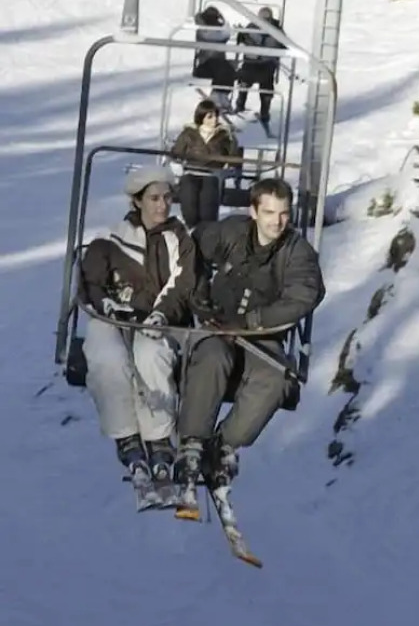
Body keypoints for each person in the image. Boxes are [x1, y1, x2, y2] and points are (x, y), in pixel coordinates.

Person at [174, 177, 325, 494]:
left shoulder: (296, 252)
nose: (277, 222)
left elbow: (304, 294)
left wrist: (253, 321)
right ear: (254, 211)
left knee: (275, 378)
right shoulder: (232, 232)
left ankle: (225, 444)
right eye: (269, 213)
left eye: (283, 213)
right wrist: (198, 293)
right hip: (218, 325)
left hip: (261, 334)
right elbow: (192, 246)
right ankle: (192, 442)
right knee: (212, 357)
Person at [78, 166, 196, 480]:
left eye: (167, 198)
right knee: (106, 356)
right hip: (115, 318)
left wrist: (162, 313)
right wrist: (106, 304)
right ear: (137, 201)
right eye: (154, 198)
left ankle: (158, 438)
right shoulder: (113, 238)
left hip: (161, 320)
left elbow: (183, 283)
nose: (162, 205)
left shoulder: (178, 238)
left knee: (149, 354)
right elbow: (92, 280)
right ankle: (126, 434)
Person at [171, 99, 240, 228]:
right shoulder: (189, 133)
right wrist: (178, 160)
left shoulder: (223, 135)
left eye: (215, 116)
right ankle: (191, 225)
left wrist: (232, 142)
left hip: (212, 174)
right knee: (189, 193)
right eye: (210, 117)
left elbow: (233, 156)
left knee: (208, 200)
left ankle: (207, 230)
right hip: (191, 170)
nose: (214, 120)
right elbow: (177, 152)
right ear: (201, 117)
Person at [235, 7, 286, 126]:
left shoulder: (276, 29)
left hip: (267, 64)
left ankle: (264, 111)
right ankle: (240, 105)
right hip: (251, 63)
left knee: (266, 85)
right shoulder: (252, 27)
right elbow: (241, 40)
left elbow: (284, 45)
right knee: (245, 80)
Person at [191, 5, 235, 106]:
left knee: (229, 69)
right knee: (223, 67)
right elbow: (216, 36)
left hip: (218, 61)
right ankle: (216, 95)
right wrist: (223, 25)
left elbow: (227, 34)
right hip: (205, 62)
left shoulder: (218, 28)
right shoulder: (202, 29)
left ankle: (222, 94)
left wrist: (223, 21)